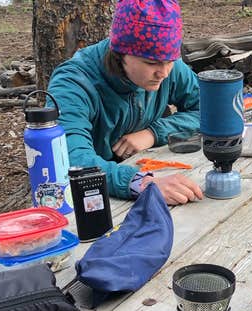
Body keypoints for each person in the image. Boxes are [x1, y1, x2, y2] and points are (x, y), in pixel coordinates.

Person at [46, 0, 203, 205]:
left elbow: (210, 110)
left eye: (170, 61)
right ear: (120, 54)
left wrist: (153, 133)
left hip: (144, 167)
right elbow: (71, 157)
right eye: (151, 63)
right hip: (86, 198)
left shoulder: (167, 65)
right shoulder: (73, 83)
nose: (163, 73)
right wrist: (141, 183)